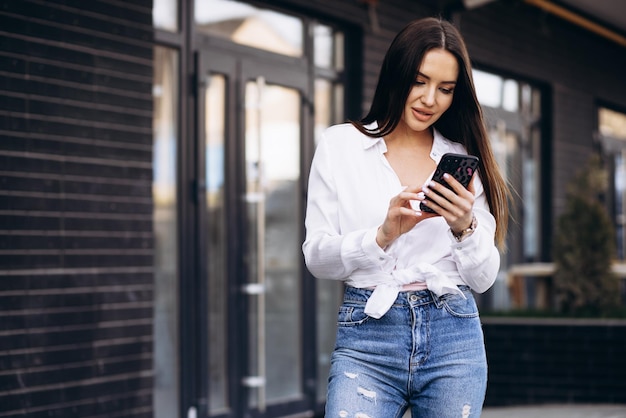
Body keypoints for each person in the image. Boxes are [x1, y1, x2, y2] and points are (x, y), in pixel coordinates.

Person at [302, 17, 509, 418]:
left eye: (445, 89)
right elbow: (316, 256)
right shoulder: (340, 146)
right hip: (369, 337)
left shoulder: (464, 160)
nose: (430, 99)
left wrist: (464, 226)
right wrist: (381, 236)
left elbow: (483, 279)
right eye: (419, 81)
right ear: (396, 74)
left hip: (454, 336)